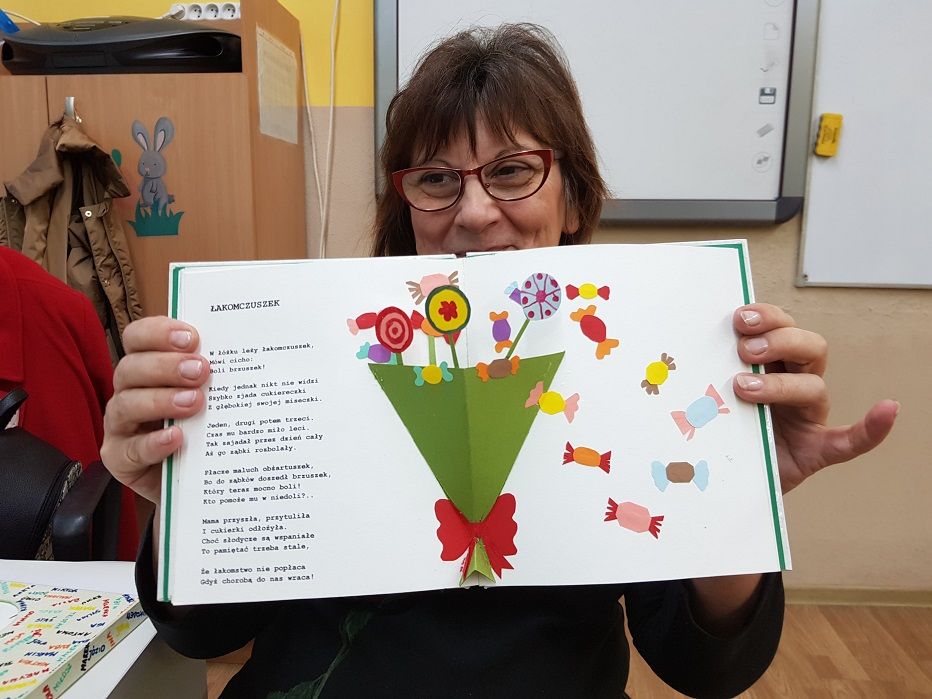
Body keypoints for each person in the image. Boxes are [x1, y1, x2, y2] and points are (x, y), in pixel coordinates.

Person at [100, 24, 897, 697]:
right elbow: (202, 631)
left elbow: (705, 666)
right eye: (436, 179)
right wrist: (184, 497)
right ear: (406, 206)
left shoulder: (631, 360)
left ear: (572, 196)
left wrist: (734, 496)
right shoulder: (317, 354)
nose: (476, 212)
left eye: (513, 171)